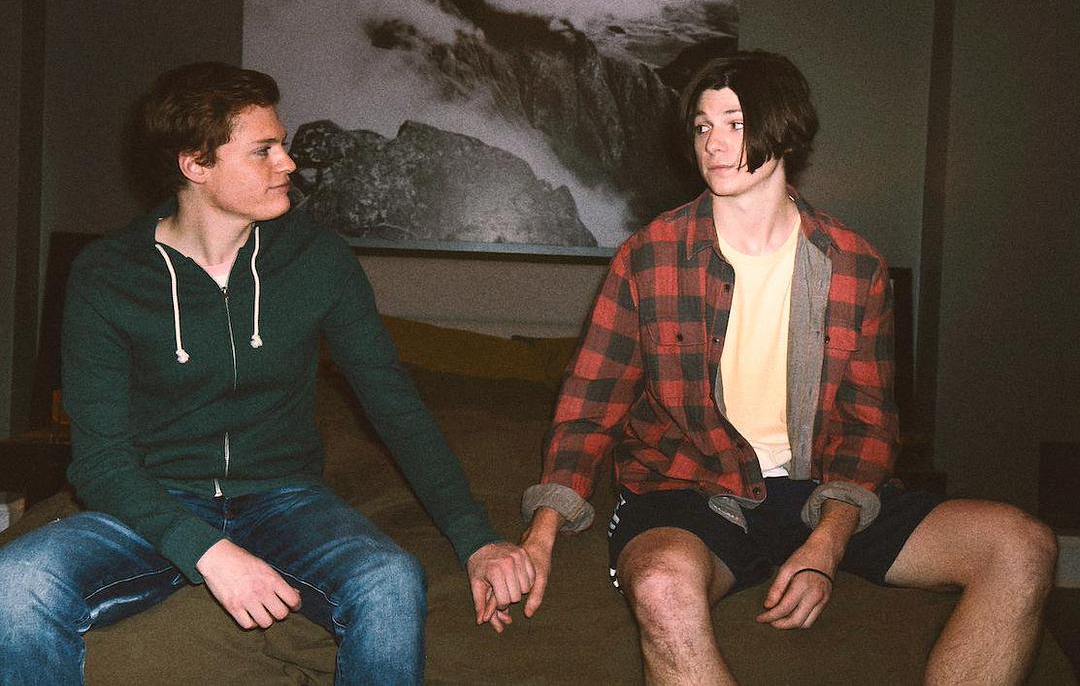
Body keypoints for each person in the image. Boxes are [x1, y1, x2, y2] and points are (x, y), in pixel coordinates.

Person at [518, 50, 1057, 685]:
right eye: (703, 125)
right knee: (662, 587)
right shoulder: (649, 256)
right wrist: (541, 534)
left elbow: (867, 427)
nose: (714, 143)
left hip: (816, 489)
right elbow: (589, 409)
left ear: (786, 133)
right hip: (690, 490)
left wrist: (826, 544)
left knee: (1023, 544)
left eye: (736, 123)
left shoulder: (853, 264)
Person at [0, 62, 533, 685]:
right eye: (264, 150)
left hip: (284, 498)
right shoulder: (107, 275)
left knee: (389, 578)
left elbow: (395, 404)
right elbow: (100, 462)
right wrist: (209, 552)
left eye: (281, 145)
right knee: (17, 581)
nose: (289, 163)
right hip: (154, 496)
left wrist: (476, 538)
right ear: (195, 165)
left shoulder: (317, 259)